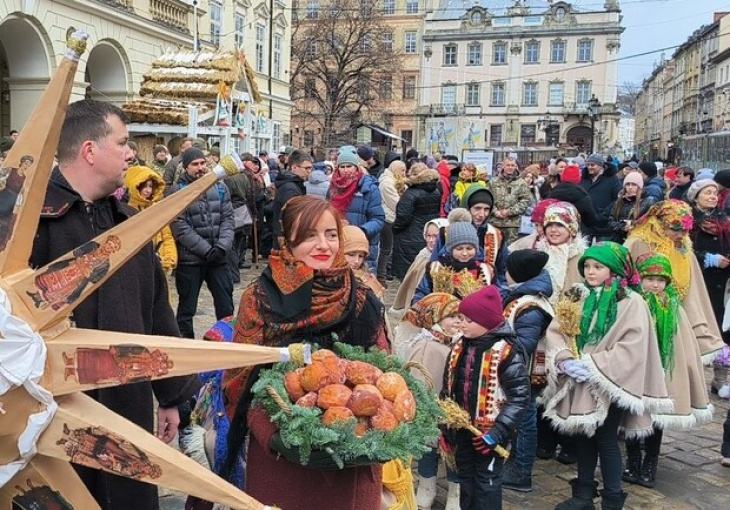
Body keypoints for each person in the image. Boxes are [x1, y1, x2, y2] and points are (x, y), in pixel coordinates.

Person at [31, 99, 196, 510]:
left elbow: (157, 312)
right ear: (90, 150)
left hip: (127, 407)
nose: (130, 154)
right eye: (122, 143)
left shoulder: (129, 224)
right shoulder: (31, 225)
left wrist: (171, 395)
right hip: (53, 418)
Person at [219, 196, 388, 510]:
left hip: (351, 461)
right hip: (283, 464)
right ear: (288, 241)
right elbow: (240, 380)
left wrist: (371, 435)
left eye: (331, 234)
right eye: (310, 235)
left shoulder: (362, 298)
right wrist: (273, 437)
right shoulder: (261, 299)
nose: (323, 245)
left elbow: (383, 372)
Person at [542, 242, 672, 510]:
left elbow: (633, 346)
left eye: (598, 267)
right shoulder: (576, 295)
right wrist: (565, 359)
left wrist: (593, 364)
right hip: (579, 380)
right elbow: (557, 330)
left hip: (611, 381)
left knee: (605, 438)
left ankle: (612, 498)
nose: (590, 272)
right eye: (587, 266)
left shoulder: (631, 302)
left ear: (614, 270)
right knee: (583, 434)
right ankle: (583, 494)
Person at [622, 253, 713, 488]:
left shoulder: (673, 307)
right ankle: (632, 460)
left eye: (661, 280)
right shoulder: (633, 303)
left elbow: (683, 344)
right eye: (650, 279)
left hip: (663, 371)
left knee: (656, 418)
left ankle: (650, 463)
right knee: (633, 414)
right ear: (640, 279)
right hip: (637, 369)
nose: (655, 285)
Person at [442, 285, 530, 510]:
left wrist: (497, 433)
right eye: (460, 318)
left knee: (487, 482)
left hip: (489, 433)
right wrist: (446, 428)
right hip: (463, 430)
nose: (462, 324)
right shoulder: (458, 347)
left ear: (486, 322)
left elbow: (519, 398)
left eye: (468, 320)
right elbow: (448, 390)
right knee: (465, 478)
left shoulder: (506, 352)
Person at [625, 200, 725, 389]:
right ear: (660, 224)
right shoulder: (639, 242)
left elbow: (693, 288)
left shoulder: (684, 247)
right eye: (675, 229)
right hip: (643, 311)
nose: (680, 235)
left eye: (685, 230)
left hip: (676, 311)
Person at [395, 293, 462, 510]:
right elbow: (418, 378)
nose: (457, 321)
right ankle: (426, 485)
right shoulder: (425, 345)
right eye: (451, 316)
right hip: (431, 407)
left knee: (453, 450)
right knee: (427, 447)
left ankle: (456, 491)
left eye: (460, 316)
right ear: (435, 318)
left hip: (455, 409)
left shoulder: (462, 342)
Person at [501, 250, 554, 493]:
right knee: (519, 420)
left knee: (524, 421)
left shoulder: (530, 307)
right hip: (521, 369)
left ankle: (522, 471)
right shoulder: (524, 297)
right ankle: (514, 462)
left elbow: (524, 344)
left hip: (527, 372)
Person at [169, 147, 235, 338]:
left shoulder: (220, 188)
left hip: (219, 258)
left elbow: (228, 219)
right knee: (187, 308)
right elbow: (179, 226)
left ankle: (226, 341)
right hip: (191, 260)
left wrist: (222, 247)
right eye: (194, 164)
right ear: (186, 167)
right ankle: (186, 345)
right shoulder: (177, 191)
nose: (200, 167)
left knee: (226, 306)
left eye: (202, 163)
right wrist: (206, 250)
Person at [327, 145, 385, 271]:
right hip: (339, 244)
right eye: (342, 166)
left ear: (356, 167)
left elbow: (378, 219)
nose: (345, 170)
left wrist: (360, 231)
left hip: (361, 246)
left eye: (349, 166)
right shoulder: (332, 188)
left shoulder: (369, 188)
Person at [412, 217, 489, 303]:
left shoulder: (485, 271)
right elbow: (422, 293)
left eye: (469, 248)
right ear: (450, 250)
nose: (465, 253)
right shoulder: (436, 269)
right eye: (459, 249)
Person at [388, 217, 449, 325]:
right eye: (428, 236)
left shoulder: (447, 260)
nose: (431, 240)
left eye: (435, 236)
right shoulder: (423, 254)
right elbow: (409, 281)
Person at [123, 165, 177, 271]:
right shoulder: (126, 211)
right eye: (144, 186)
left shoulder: (157, 209)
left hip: (159, 263)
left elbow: (166, 236)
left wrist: (170, 258)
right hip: (137, 267)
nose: (148, 191)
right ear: (134, 186)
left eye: (151, 186)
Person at [391, 166, 441, 280]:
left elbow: (403, 217)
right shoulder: (435, 190)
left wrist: (395, 228)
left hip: (409, 237)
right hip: (427, 233)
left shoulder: (411, 193)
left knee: (408, 274)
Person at [459, 185, 508, 288]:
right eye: (477, 208)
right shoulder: (448, 232)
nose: (482, 214)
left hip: (488, 291)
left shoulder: (496, 235)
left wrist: (499, 291)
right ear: (467, 208)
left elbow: (502, 270)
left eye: (486, 209)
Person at [272, 149, 312, 249]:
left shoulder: (294, 185)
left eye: (310, 168)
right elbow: (291, 217)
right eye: (306, 168)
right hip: (287, 239)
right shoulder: (290, 189)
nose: (309, 172)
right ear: (294, 167)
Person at [488, 156, 532, 244]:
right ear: (503, 166)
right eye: (508, 165)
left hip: (512, 225)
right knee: (493, 247)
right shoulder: (493, 182)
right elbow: (487, 199)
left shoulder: (521, 183)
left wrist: (509, 212)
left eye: (512, 165)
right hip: (494, 222)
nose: (510, 167)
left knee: (510, 249)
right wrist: (495, 211)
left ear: (516, 167)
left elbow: (525, 201)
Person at [580, 154, 621, 242]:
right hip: (586, 224)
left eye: (592, 165)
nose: (589, 167)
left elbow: (618, 198)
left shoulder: (612, 179)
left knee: (601, 249)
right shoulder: (584, 178)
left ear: (600, 166)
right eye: (588, 164)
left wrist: (604, 213)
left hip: (603, 225)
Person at [378, 159, 407, 285]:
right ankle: (381, 276)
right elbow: (397, 203)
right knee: (386, 249)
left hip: (392, 218)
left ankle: (384, 274)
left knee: (389, 249)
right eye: (402, 170)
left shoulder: (395, 181)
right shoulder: (387, 183)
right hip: (388, 218)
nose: (404, 173)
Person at [605, 171, 652, 243]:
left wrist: (632, 224)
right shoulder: (620, 200)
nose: (630, 187)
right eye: (628, 184)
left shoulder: (647, 202)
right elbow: (610, 222)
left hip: (637, 242)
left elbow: (650, 223)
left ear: (639, 187)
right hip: (618, 240)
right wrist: (622, 227)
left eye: (634, 185)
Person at [342, 225, 384, 299]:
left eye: (361, 256)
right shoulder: (331, 279)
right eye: (351, 255)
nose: (356, 261)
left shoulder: (369, 279)